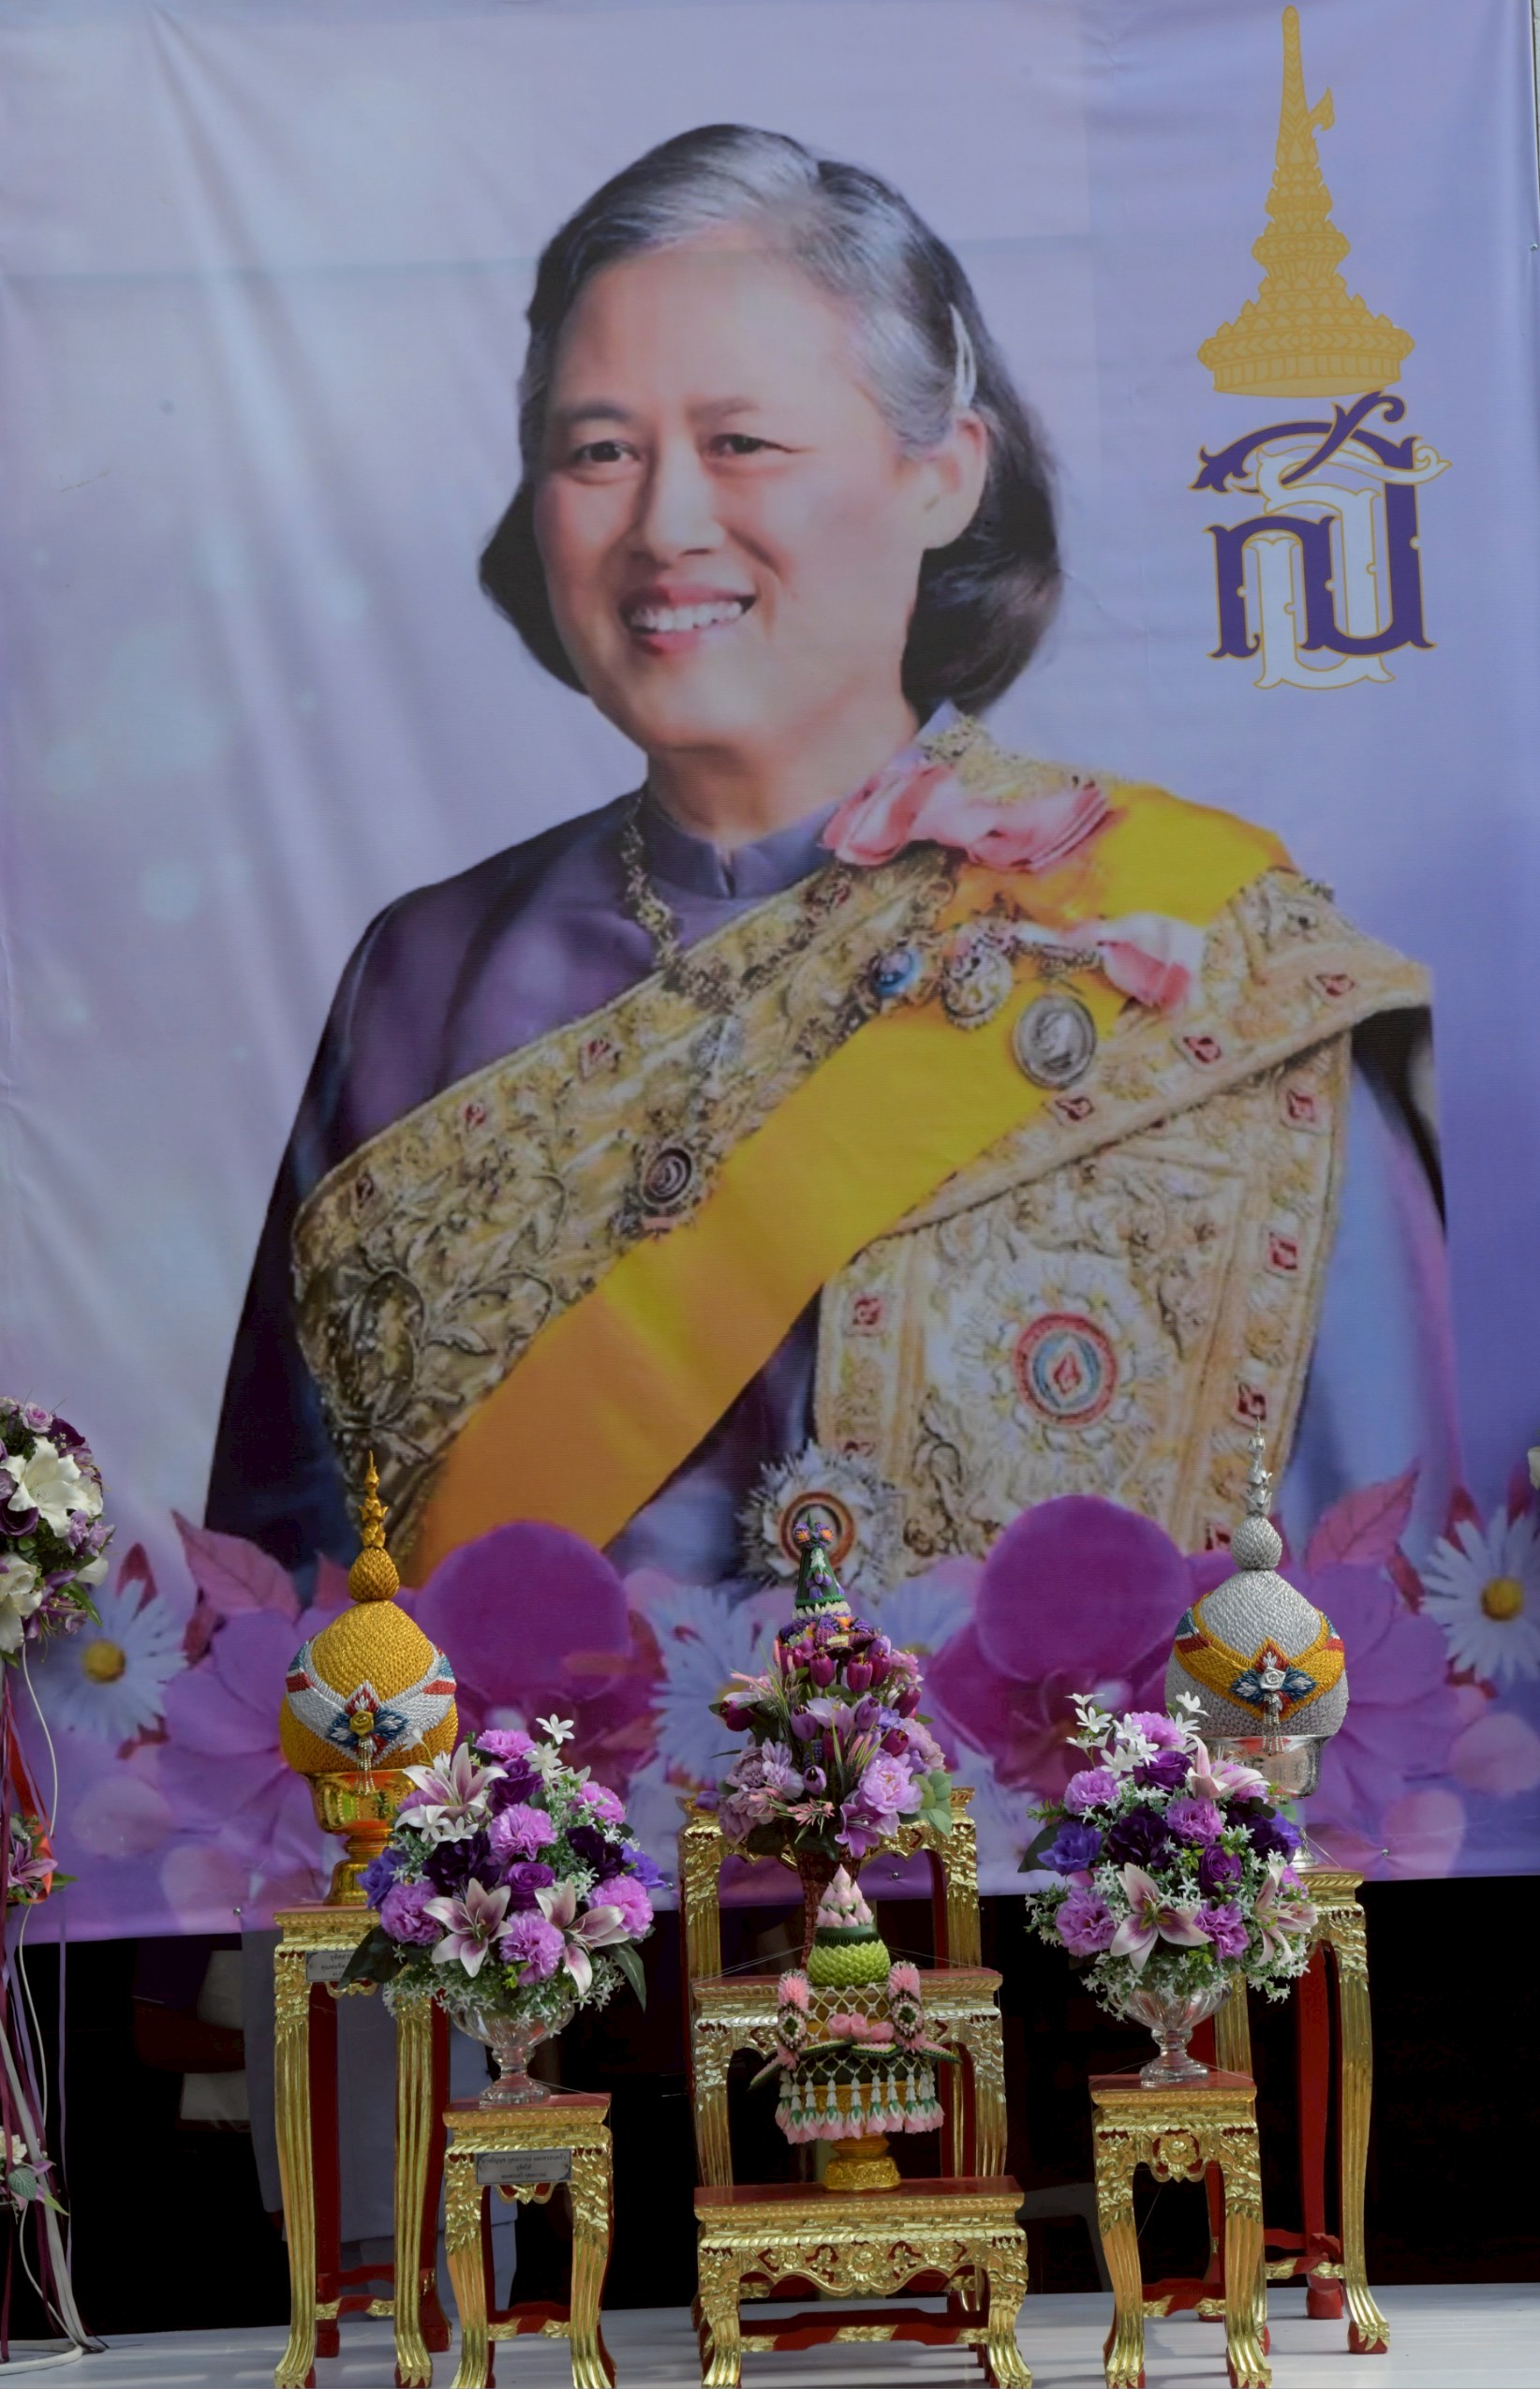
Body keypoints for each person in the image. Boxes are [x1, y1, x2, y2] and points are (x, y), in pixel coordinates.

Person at [207, 124, 1455, 1600]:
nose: (667, 523)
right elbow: (271, 1621)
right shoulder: (422, 975)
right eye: (598, 451)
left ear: (945, 476)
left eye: (742, 443)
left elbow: (1391, 1633)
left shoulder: (1201, 954)